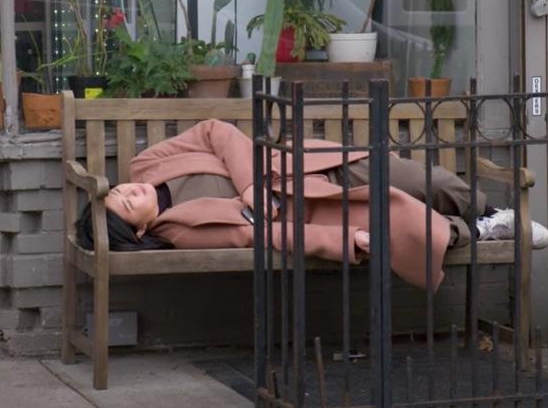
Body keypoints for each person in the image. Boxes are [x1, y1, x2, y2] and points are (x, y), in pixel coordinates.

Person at [76, 119, 548, 291]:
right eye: (121, 207)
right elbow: (263, 234)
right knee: (401, 220)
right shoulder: (178, 231)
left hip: (305, 166)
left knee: (423, 177)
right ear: (137, 233)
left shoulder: (147, 164)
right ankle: (481, 231)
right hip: (315, 209)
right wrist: (342, 241)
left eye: (115, 191)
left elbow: (216, 131)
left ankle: (485, 211)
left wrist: (248, 188)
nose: (124, 192)